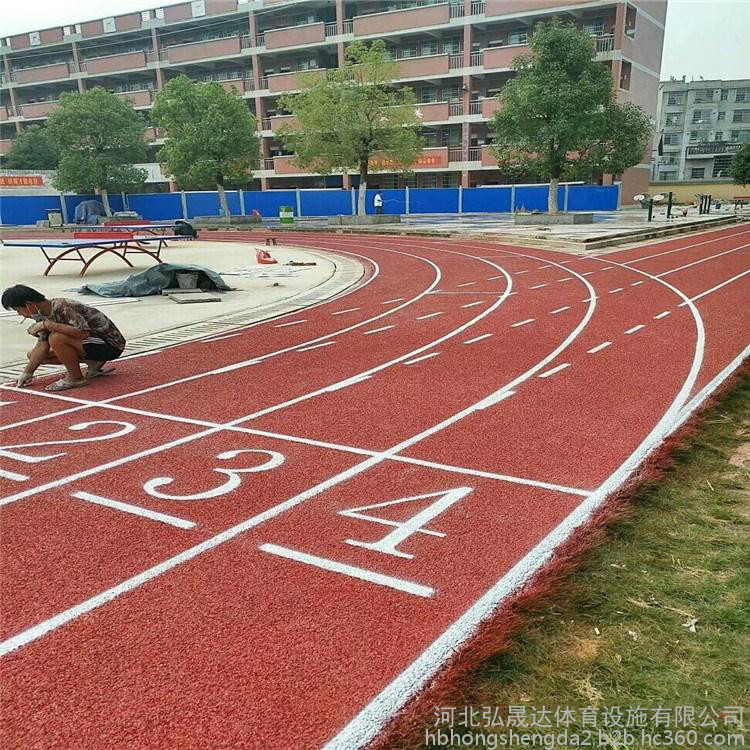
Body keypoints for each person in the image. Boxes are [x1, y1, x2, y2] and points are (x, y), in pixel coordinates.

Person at [2, 285, 126, 391]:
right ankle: (93, 362)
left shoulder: (63, 306)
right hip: (90, 344)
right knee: (34, 356)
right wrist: (28, 372)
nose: (19, 314)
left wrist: (49, 325)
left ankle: (75, 378)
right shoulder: (42, 315)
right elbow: (42, 344)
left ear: (29, 305)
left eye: (18, 310)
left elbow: (83, 333)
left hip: (111, 345)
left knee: (56, 338)